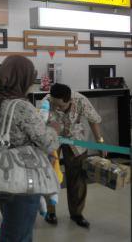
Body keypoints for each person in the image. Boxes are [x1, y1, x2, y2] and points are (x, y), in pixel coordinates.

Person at [0, 55, 60, 242]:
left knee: (11, 227)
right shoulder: (22, 106)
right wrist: (53, 129)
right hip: (22, 179)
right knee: (19, 234)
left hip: (2, 174)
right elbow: (47, 142)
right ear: (23, 78)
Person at [42, 83, 104, 228]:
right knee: (50, 175)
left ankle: (77, 214)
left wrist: (100, 142)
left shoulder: (81, 100)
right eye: (54, 105)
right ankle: (50, 212)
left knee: (77, 177)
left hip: (75, 137)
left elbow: (94, 120)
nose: (56, 108)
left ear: (69, 100)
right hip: (52, 137)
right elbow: (39, 124)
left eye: (60, 106)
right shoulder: (47, 101)